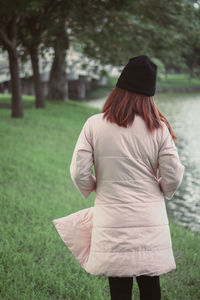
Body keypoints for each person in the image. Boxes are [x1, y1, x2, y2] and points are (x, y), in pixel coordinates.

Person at [69, 55, 185, 300]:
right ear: (149, 95)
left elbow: (78, 172)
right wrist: (162, 187)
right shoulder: (159, 128)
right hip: (149, 220)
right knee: (151, 287)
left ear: (118, 89)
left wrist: (94, 185)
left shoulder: (94, 124)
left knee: (119, 291)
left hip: (112, 219)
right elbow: (173, 174)